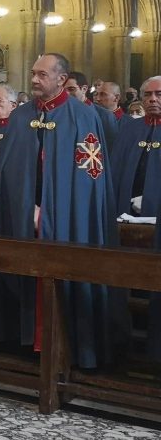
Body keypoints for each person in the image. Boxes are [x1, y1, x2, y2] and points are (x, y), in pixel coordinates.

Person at [0, 53, 113, 369]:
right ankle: (23, 342)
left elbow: (89, 180)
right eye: (33, 73)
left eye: (42, 74)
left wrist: (50, 212)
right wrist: (26, 207)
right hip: (25, 220)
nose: (34, 79)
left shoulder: (83, 118)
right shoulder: (20, 118)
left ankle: (66, 343)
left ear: (62, 79)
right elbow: (9, 173)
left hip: (65, 220)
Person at [111, 76, 161, 359]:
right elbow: (117, 171)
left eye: (159, 94)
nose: (153, 99)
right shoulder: (130, 130)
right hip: (127, 223)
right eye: (148, 94)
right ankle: (123, 339)